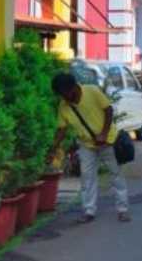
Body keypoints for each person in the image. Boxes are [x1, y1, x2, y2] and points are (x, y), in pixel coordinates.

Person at [49, 72, 131, 223]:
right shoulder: (64, 105)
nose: (64, 97)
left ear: (73, 87)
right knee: (87, 178)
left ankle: (122, 209)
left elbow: (108, 109)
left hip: (108, 141)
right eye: (61, 95)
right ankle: (89, 210)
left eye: (65, 93)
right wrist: (54, 148)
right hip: (86, 144)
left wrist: (104, 133)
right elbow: (62, 129)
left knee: (116, 175)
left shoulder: (91, 91)